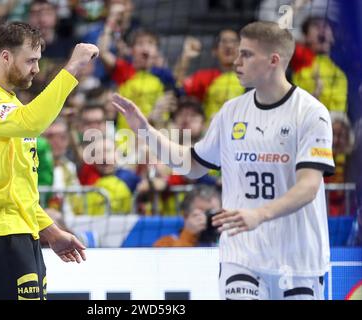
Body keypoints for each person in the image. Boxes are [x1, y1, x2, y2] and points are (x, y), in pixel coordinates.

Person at [112, 21, 334, 300]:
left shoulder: (311, 113)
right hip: (243, 253)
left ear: (274, 60)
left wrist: (260, 214)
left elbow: (308, 187)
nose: (236, 61)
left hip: (298, 257)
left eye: (246, 54)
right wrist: (145, 130)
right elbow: (191, 164)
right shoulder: (231, 112)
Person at [0, 21, 99, 300]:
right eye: (31, 60)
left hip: (20, 230)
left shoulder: (9, 104)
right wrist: (71, 68)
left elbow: (18, 190)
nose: (36, 68)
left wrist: (52, 232)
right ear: (6, 57)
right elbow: (31, 123)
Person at [153, 185, 221, 247]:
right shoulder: (166, 242)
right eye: (202, 214)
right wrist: (189, 234)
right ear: (186, 216)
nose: (209, 219)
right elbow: (177, 259)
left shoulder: (227, 239)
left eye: (213, 213)